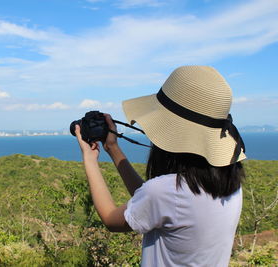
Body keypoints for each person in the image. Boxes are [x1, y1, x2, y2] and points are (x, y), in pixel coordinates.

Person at [74, 65, 246, 267]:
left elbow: (112, 219)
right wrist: (113, 149)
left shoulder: (167, 192)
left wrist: (89, 158)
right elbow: (154, 199)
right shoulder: (231, 186)